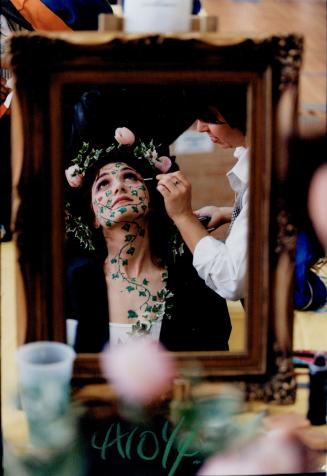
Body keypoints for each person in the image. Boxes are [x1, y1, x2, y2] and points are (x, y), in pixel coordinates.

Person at [65, 127, 231, 353]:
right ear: (93, 216)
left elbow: (215, 361)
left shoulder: (194, 279)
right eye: (103, 183)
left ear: (152, 200)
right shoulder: (75, 283)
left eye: (130, 177)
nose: (119, 186)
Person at [156, 88, 249, 301]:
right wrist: (228, 213)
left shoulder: (264, 175)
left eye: (209, 118)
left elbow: (232, 279)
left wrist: (183, 216)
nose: (200, 127)